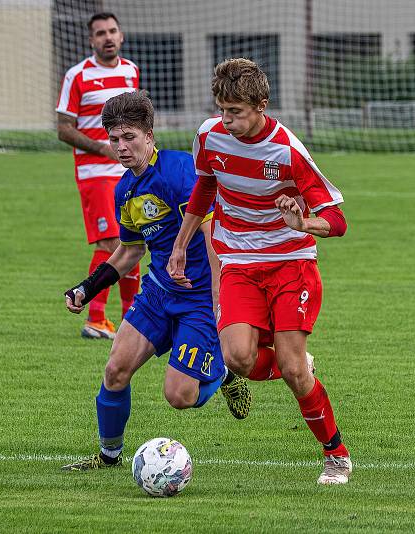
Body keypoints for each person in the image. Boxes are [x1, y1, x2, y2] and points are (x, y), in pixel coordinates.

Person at [167, 58, 352, 485]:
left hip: (291, 264)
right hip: (237, 261)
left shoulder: (287, 150)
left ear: (261, 106)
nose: (226, 119)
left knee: (291, 371)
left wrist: (303, 223)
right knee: (237, 357)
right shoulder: (209, 136)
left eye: (236, 112)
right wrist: (181, 246)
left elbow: (338, 222)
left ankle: (336, 455)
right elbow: (205, 186)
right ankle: (299, 365)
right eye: (222, 109)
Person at [61, 91, 252, 471]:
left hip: (200, 298)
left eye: (129, 137)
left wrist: (220, 299)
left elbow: (212, 236)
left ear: (150, 135)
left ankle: (225, 373)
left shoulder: (180, 173)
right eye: (114, 139)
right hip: (159, 294)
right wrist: (87, 287)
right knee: (116, 370)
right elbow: (129, 252)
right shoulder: (125, 190)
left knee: (179, 395)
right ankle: (108, 456)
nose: (121, 147)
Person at [56, 12, 141, 340]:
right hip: (95, 172)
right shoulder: (77, 75)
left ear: (121, 36)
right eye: (100, 33)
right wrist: (101, 148)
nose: (107, 37)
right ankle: (94, 317)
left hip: (129, 171)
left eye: (112, 31)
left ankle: (130, 321)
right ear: (91, 40)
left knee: (133, 241)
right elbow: (64, 129)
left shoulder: (131, 71)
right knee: (112, 242)